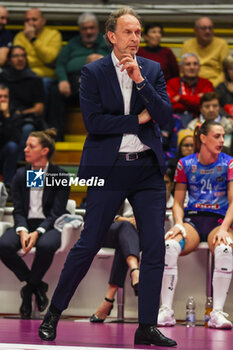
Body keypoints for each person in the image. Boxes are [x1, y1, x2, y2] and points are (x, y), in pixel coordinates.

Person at [38, 7, 176, 347]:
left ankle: (146, 326)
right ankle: (53, 313)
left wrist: (140, 82)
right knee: (87, 244)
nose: (135, 39)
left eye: (139, 33)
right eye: (129, 32)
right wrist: (137, 121)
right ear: (112, 36)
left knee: (155, 247)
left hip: (146, 169)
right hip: (108, 168)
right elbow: (94, 123)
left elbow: (166, 117)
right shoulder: (93, 72)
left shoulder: (152, 69)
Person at [158, 120, 233, 329]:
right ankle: (166, 311)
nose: (221, 140)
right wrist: (178, 224)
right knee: (169, 246)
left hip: (219, 220)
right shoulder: (185, 164)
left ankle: (216, 313)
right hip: (193, 220)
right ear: (203, 138)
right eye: (217, 136)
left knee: (225, 249)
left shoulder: (229, 163)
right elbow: (178, 203)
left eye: (223, 136)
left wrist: (225, 229)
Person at [0, 129, 70, 319]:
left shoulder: (60, 176)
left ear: (45, 151)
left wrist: (38, 232)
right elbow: (19, 210)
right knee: (4, 245)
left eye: (31, 146)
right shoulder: (21, 175)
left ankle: (28, 291)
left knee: (46, 244)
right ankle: (37, 286)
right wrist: (22, 230)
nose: (25, 149)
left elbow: (56, 212)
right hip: (26, 224)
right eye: (26, 145)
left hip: (51, 224)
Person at [47, 12, 109, 140]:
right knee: (54, 91)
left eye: (91, 28)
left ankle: (103, 133)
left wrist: (104, 61)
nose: (88, 31)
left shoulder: (107, 43)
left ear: (97, 28)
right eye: (85, 28)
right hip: (74, 82)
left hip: (99, 83)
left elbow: (118, 62)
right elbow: (60, 64)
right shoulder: (72, 44)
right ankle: (56, 134)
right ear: (79, 29)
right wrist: (63, 80)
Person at [90, 199, 140, 323]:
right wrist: (126, 220)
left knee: (124, 243)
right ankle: (135, 270)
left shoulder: (147, 183)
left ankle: (109, 299)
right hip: (111, 229)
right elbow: (102, 210)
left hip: (138, 233)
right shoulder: (115, 182)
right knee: (126, 229)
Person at [0, 45, 45, 159]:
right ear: (9, 60)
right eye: (16, 56)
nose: (20, 59)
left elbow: (39, 108)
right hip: (3, 116)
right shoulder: (2, 78)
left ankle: (20, 162)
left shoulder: (34, 79)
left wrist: (21, 113)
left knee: (27, 129)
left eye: (22, 56)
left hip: (26, 118)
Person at [13, 8, 62, 96]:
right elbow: (17, 60)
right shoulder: (19, 36)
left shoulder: (54, 35)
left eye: (34, 19)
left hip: (45, 77)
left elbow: (49, 58)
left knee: (41, 83)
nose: (30, 23)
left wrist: (33, 39)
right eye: (27, 20)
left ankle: (39, 110)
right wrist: (39, 60)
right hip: (24, 75)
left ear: (43, 21)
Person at [167, 52, 213, 128]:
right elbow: (169, 105)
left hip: (199, 122)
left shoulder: (207, 84)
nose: (192, 67)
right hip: (174, 121)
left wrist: (180, 98)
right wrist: (195, 102)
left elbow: (207, 106)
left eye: (195, 64)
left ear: (199, 67)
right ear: (180, 68)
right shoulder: (171, 83)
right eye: (188, 64)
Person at [181, 17, 229, 87]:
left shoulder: (222, 44)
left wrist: (210, 86)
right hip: (192, 84)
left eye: (210, 28)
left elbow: (225, 72)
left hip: (215, 85)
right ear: (196, 30)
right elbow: (183, 70)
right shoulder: (187, 44)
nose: (208, 31)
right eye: (204, 28)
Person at [0, 84, 19, 188]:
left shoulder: (13, 113)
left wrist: (6, 115)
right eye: (0, 96)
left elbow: (15, 139)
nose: (3, 99)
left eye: (5, 96)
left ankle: (8, 185)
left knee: (12, 146)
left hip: (4, 156)